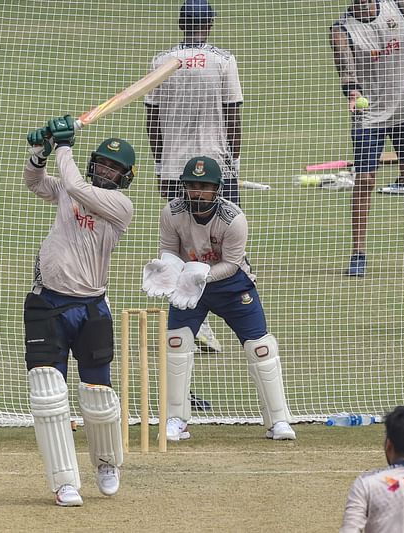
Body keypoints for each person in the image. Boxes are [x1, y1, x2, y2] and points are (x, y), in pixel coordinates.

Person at [141, 156, 295, 442]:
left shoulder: (233, 218)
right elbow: (169, 250)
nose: (197, 192)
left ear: (217, 189)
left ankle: (278, 420)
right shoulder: (172, 212)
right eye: (192, 185)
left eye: (204, 186)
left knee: (261, 348)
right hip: (188, 286)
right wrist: (168, 269)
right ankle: (176, 419)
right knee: (176, 343)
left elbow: (233, 263)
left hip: (231, 286)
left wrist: (201, 276)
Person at [24, 115, 135, 507]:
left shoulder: (119, 205)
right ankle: (64, 481)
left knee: (97, 393)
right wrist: (41, 152)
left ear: (125, 178)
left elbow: (72, 184)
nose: (107, 170)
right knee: (48, 392)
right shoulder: (74, 189)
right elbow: (36, 184)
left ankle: (106, 462)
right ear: (93, 164)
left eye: (115, 168)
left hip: (90, 308)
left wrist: (64, 144)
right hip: (46, 302)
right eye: (103, 163)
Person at [145, 0, 244, 356]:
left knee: (183, 244)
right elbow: (233, 112)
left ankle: (197, 320)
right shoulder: (224, 60)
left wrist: (160, 164)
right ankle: (227, 311)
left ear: (181, 23)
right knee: (224, 244)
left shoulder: (161, 61)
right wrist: (234, 160)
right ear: (211, 23)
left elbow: (152, 120)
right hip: (218, 168)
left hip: (175, 169)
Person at [330, 0, 404, 277]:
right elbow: (346, 68)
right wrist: (353, 93)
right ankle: (358, 254)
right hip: (369, 116)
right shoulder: (341, 29)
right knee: (366, 179)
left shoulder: (400, 7)